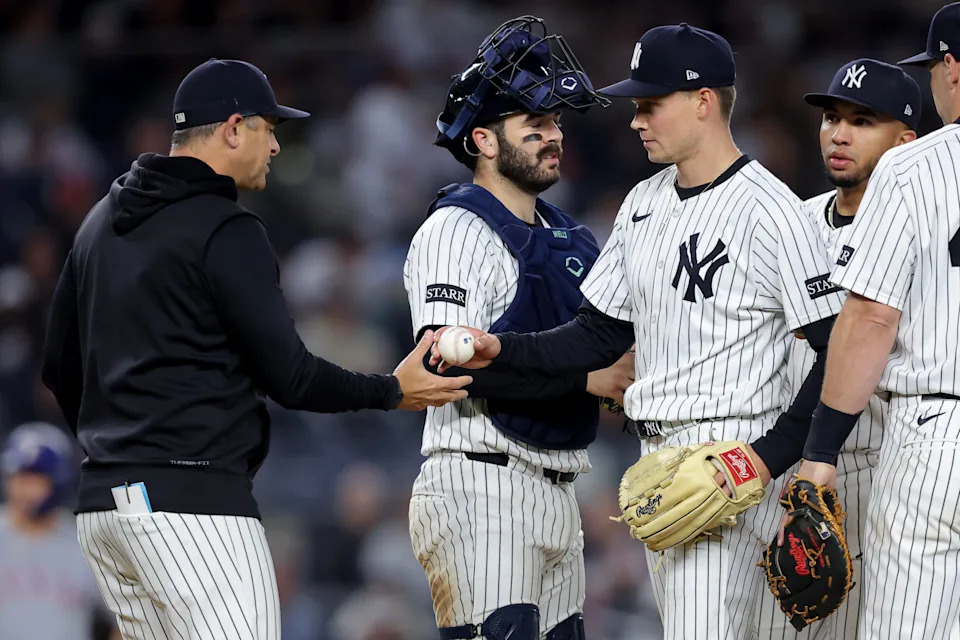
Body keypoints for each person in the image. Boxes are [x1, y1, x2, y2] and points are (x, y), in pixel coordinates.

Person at [431, 23, 847, 640]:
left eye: (650, 104)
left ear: (703, 101)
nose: (635, 120)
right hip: (667, 468)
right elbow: (595, 336)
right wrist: (502, 348)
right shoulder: (642, 202)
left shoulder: (772, 210)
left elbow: (835, 348)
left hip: (736, 458)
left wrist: (766, 460)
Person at [39, 57, 471, 640]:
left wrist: (116, 450)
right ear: (233, 128)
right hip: (192, 507)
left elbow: (58, 366)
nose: (274, 147)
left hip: (103, 510)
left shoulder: (98, 222)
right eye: (269, 129)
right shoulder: (226, 228)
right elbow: (290, 377)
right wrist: (391, 390)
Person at [403, 16, 633, 640]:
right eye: (533, 125)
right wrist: (588, 380)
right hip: (480, 477)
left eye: (555, 123)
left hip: (560, 487)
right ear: (482, 138)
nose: (552, 135)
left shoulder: (575, 238)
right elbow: (442, 369)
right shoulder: (456, 229)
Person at [795, 3, 960, 638]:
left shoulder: (915, 165)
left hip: (935, 435)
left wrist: (820, 452)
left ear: (951, 66)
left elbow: (869, 317)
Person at [754, 58, 920, 640]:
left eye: (861, 121)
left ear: (906, 143)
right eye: (831, 118)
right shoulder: (790, 223)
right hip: (792, 470)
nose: (839, 133)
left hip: (884, 472)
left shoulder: (925, 232)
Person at [0, 422, 119, 640]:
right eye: (18, 476)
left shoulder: (84, 541)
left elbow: (125, 619)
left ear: (58, 480)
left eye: (34, 478)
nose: (22, 488)